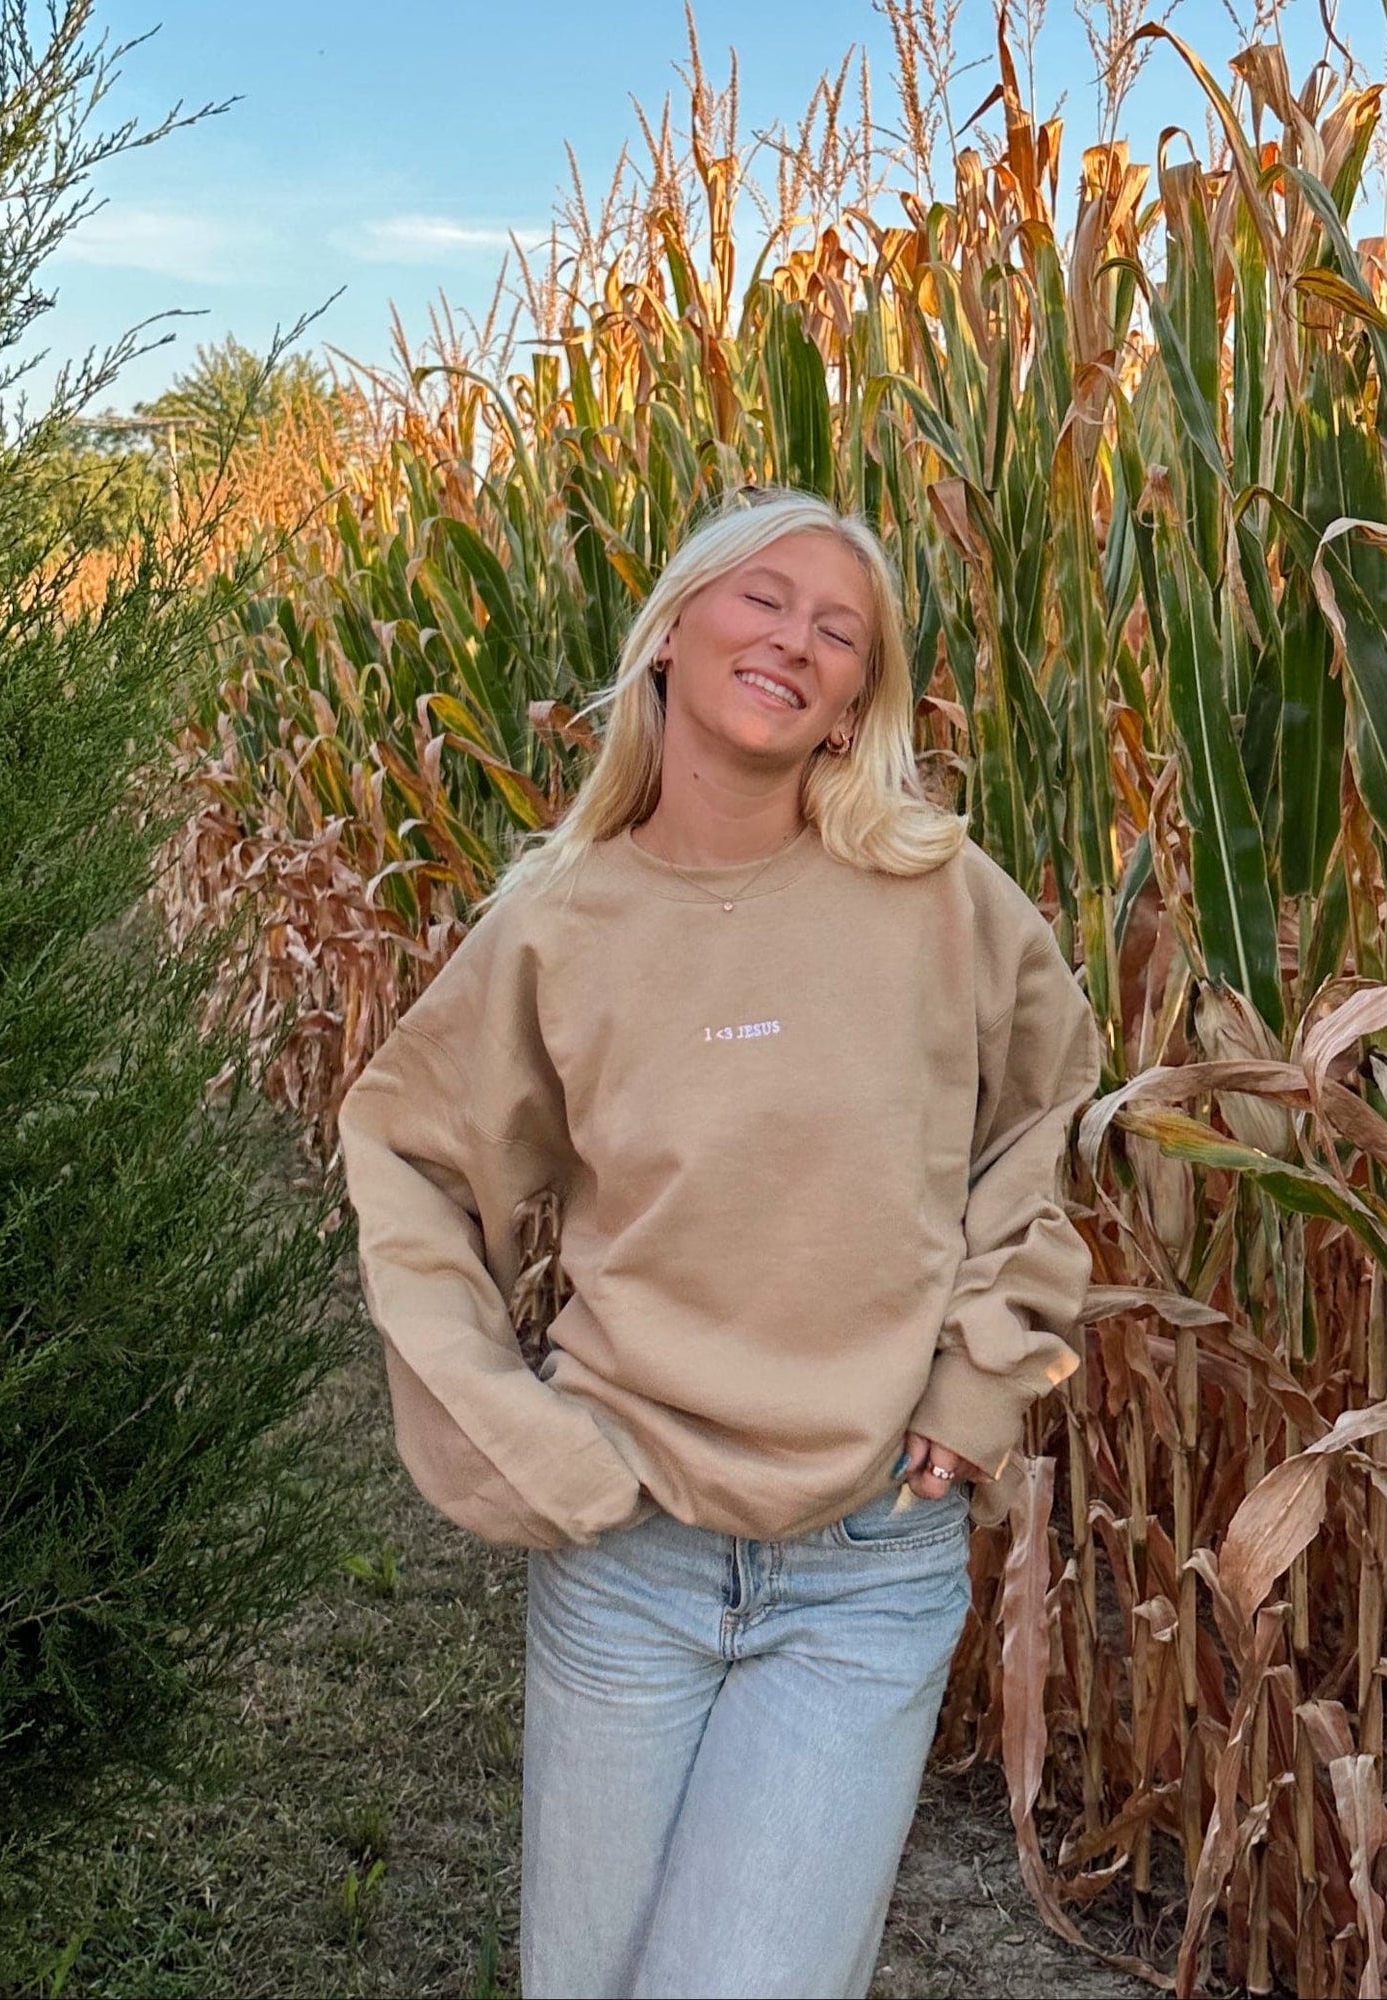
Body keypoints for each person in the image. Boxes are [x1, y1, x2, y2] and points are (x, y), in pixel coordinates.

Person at [337, 487, 1098, 1999]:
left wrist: (979, 1383)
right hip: (629, 1550)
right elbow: (409, 1155)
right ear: (673, 629)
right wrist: (521, 1439)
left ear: (852, 710)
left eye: (841, 635)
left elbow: (1050, 1121)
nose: (795, 642)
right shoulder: (562, 922)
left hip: (868, 1558)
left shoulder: (941, 899)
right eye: (763, 599)